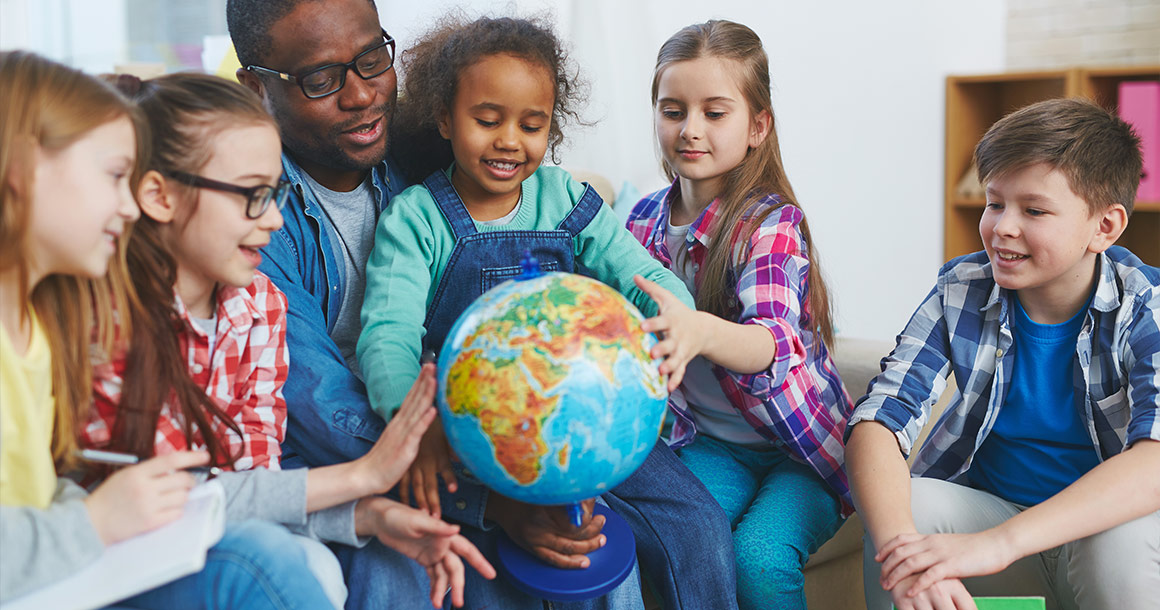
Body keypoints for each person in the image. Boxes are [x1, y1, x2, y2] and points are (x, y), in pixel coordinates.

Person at [227, 1, 737, 608]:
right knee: (415, 576)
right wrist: (478, 485)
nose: (362, 95)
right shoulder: (259, 221)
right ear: (258, 87)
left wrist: (679, 319)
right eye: (320, 78)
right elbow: (342, 383)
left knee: (685, 529)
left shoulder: (422, 154)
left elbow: (632, 269)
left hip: (554, 412)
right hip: (419, 436)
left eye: (371, 60)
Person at [77, 72, 494, 609]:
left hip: (222, 534)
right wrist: (363, 476)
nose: (274, 219)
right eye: (252, 196)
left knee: (326, 562)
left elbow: (253, 489)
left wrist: (365, 513)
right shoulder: (109, 324)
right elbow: (179, 509)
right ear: (159, 195)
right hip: (124, 558)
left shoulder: (258, 308)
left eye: (274, 193)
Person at [0, 50, 336, 610]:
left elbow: (34, 495)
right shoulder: (81, 317)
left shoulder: (33, 328)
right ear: (24, 171)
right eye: (113, 176)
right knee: (260, 565)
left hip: (71, 566)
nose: (128, 206)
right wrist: (92, 520)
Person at [846, 97, 1160, 610]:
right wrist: (905, 553)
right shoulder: (960, 289)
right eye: (995, 203)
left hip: (1099, 536)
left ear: (1105, 226)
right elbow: (877, 422)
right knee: (911, 513)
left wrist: (996, 545)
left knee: (1120, 543)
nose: (1002, 227)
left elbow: (1155, 462)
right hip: (995, 523)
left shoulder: (1147, 305)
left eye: (1033, 210)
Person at [623, 20, 851, 610]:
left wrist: (698, 329)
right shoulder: (640, 224)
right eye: (673, 110)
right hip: (705, 442)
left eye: (714, 113)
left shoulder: (769, 224)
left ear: (757, 126)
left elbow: (771, 342)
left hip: (799, 453)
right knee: (685, 540)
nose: (690, 129)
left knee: (758, 558)